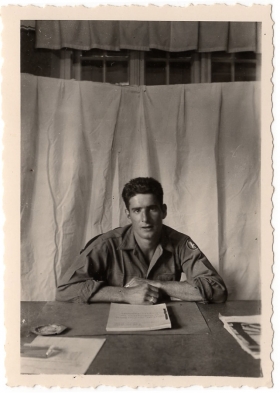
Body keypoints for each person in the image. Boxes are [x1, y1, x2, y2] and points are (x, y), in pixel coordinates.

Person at [56, 177, 227, 305]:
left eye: (151, 209)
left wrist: (155, 284)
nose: (145, 219)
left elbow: (218, 290)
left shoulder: (180, 243)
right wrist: (125, 294)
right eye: (137, 210)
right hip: (113, 324)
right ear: (128, 214)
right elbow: (64, 291)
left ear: (163, 211)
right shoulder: (106, 244)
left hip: (165, 325)